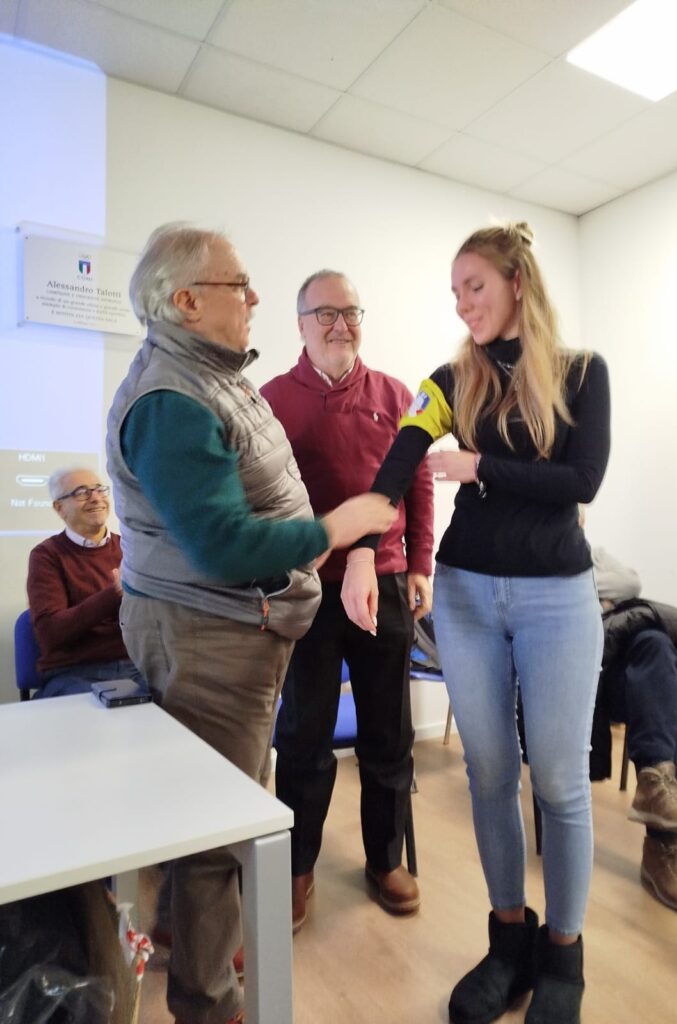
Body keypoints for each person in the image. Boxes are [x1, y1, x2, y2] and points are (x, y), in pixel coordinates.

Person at [105, 223, 394, 1024]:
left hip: (232, 631)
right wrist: (335, 529)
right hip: (208, 637)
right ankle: (210, 1001)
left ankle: (187, 937)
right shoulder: (171, 400)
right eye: (239, 284)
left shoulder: (208, 375)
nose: (255, 296)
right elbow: (222, 544)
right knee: (216, 827)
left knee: (211, 805)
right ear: (187, 301)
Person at [343, 223, 610, 1024]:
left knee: (558, 781)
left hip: (557, 596)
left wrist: (479, 466)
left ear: (517, 283)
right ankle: (507, 942)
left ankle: (563, 957)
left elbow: (582, 480)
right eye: (455, 292)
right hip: (465, 594)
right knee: (489, 773)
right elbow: (399, 460)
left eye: (476, 286)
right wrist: (363, 550)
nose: (463, 304)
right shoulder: (449, 380)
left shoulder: (582, 373)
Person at [261, 270, 434, 930]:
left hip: (384, 583)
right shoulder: (272, 400)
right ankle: (297, 868)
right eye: (325, 313)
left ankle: (384, 859)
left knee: (388, 732)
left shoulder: (396, 394)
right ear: (300, 323)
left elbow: (418, 486)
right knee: (303, 736)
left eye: (351, 312)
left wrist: (419, 563)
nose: (340, 325)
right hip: (307, 587)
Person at [591, 544, 677, 916]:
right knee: (651, 682)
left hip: (616, 666)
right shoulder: (540, 549)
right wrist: (596, 595)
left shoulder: (593, 552)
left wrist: (587, 588)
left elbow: (630, 582)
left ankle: (657, 793)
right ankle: (662, 830)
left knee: (655, 645)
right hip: (573, 675)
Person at [26, 466, 146, 698]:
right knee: (104, 713)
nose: (96, 498)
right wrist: (115, 592)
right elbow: (50, 633)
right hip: (74, 672)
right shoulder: (46, 556)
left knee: (180, 703)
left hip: (136, 665)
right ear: (59, 508)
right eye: (82, 492)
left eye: (100, 490)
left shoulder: (130, 547)